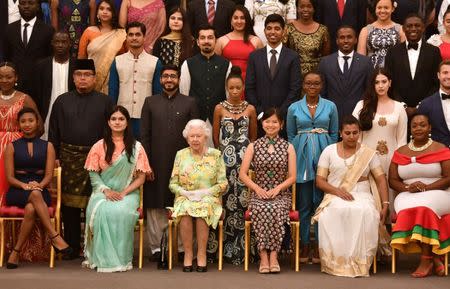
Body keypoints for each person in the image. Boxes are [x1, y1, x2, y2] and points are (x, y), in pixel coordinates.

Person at [48, 59, 113, 260]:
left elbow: (112, 130)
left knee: (96, 203)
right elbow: (53, 132)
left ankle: (93, 247)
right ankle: (72, 246)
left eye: (87, 75)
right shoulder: (61, 100)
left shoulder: (105, 101)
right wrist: (56, 157)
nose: (83, 78)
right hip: (68, 157)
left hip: (97, 159)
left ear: (94, 78)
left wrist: (108, 156)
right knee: (69, 205)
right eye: (79, 75)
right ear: (73, 77)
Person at [314, 115, 389, 277]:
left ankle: (360, 262)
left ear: (359, 133)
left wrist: (385, 204)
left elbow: (381, 179)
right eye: (347, 133)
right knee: (333, 212)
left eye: (355, 133)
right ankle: (336, 262)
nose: (351, 136)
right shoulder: (329, 151)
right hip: (335, 194)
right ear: (341, 133)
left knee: (364, 212)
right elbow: (320, 181)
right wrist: (337, 191)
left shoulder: (367, 153)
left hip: (362, 193)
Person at [140, 64, 199, 265]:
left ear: (179, 79)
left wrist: (193, 164)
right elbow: (144, 135)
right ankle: (157, 247)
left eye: (173, 76)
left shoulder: (190, 102)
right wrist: (146, 164)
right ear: (160, 79)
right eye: (165, 76)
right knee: (156, 204)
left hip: (184, 164)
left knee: (182, 204)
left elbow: (195, 135)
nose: (169, 80)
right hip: (155, 161)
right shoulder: (150, 102)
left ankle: (183, 248)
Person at [83, 105, 151, 272]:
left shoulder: (136, 148)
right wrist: (106, 191)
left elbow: (141, 177)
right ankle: (102, 257)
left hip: (128, 193)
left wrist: (123, 193)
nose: (117, 122)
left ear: (127, 122)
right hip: (102, 192)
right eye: (114, 119)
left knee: (119, 211)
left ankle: (120, 258)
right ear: (108, 122)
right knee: (102, 211)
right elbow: (93, 175)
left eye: (121, 119)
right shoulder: (99, 146)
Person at [4, 107, 73, 269]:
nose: (27, 124)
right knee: (34, 195)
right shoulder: (11, 146)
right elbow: (10, 178)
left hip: (41, 191)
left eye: (31, 121)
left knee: (31, 208)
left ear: (37, 123)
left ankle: (16, 251)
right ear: (19, 125)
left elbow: (48, 175)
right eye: (23, 121)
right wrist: (25, 186)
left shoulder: (48, 146)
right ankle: (55, 236)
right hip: (17, 190)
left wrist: (39, 186)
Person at [286, 71, 339, 264]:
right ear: (303, 85)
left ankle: (319, 244)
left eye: (316, 83)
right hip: (301, 158)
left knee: (322, 202)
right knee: (305, 202)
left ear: (321, 85)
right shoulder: (293, 108)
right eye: (309, 83)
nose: (312, 87)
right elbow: (290, 136)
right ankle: (304, 243)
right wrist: (297, 154)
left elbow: (334, 134)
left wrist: (331, 156)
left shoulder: (331, 106)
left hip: (325, 155)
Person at [389, 113, 450, 278]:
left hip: (439, 192)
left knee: (424, 208)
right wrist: (407, 187)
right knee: (412, 208)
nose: (418, 128)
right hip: (407, 194)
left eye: (422, 125)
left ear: (429, 128)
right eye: (414, 125)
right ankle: (435, 258)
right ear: (410, 129)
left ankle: (425, 259)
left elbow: (448, 178)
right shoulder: (400, 152)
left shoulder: (441, 148)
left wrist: (427, 187)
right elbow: (393, 181)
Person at [239, 108, 296, 273]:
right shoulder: (253, 146)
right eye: (267, 121)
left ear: (281, 124)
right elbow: (243, 174)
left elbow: (292, 176)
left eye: (275, 122)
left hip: (281, 194)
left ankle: (274, 256)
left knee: (275, 208)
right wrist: (257, 188)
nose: (271, 125)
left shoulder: (288, 147)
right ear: (262, 123)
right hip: (259, 193)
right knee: (261, 208)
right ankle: (263, 255)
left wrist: (278, 188)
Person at [169, 119, 228, 272]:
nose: (195, 139)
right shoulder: (180, 155)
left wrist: (206, 192)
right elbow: (172, 183)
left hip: (209, 197)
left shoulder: (216, 155)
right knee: (186, 209)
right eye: (192, 136)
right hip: (185, 196)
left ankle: (201, 254)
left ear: (205, 137)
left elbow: (223, 183)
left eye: (198, 136)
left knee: (203, 208)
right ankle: (188, 254)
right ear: (187, 138)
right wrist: (184, 193)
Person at [212, 66, 257, 264]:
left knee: (244, 202)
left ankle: (244, 249)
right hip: (225, 161)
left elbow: (254, 137)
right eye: (231, 88)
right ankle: (224, 249)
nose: (235, 91)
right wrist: (223, 155)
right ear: (226, 88)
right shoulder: (219, 108)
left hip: (245, 160)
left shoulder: (250, 109)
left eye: (238, 88)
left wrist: (247, 154)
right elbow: (215, 137)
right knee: (226, 201)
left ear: (243, 87)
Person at [353, 69, 407, 211]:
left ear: (390, 83)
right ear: (372, 85)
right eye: (376, 82)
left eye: (384, 82)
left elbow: (402, 141)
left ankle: (389, 231)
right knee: (368, 203)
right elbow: (354, 136)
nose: (380, 86)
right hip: (366, 159)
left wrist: (399, 165)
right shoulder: (361, 105)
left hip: (391, 161)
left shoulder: (399, 107)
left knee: (389, 199)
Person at [245, 13, 301, 137]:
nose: (272, 32)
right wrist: (261, 114)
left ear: (283, 31)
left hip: (284, 120)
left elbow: (295, 89)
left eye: (277, 28)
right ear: (264, 31)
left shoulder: (293, 57)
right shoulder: (254, 56)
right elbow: (249, 88)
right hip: (260, 119)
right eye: (269, 28)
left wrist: (280, 115)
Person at [108, 21, 162, 138]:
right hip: (122, 117)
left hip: (146, 116)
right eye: (131, 35)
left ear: (144, 37)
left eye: (138, 34)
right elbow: (113, 91)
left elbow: (158, 94)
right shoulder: (117, 61)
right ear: (126, 37)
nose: (134, 38)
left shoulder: (155, 62)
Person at [385, 14, 441, 116]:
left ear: (423, 28)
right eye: (409, 26)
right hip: (398, 109)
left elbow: (436, 82)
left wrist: (421, 105)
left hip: (427, 109)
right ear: (403, 28)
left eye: (417, 25)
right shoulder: (392, 52)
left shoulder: (434, 51)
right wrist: (403, 106)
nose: (413, 29)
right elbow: (389, 82)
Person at [0, 62, 41, 195]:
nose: (4, 80)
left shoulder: (25, 99)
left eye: (8, 77)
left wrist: (27, 145)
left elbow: (39, 127)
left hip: (17, 147)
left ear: (16, 78)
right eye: (0, 77)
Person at [318, 25, 373, 125]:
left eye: (349, 37)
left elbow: (369, 91)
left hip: (358, 117)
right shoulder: (325, 62)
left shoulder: (366, 62)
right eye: (342, 37)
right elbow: (322, 93)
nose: (346, 40)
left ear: (356, 40)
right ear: (337, 41)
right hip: (332, 117)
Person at [179, 25, 232, 125]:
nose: (206, 41)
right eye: (202, 38)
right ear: (198, 42)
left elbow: (228, 93)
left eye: (210, 37)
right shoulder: (188, 64)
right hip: (195, 118)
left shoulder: (226, 64)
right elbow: (184, 93)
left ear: (216, 41)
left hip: (219, 118)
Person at [3, 0, 54, 96]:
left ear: (38, 7)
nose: (26, 6)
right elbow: (6, 58)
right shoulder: (9, 30)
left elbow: (50, 59)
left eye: (30, 3)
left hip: (39, 86)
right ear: (18, 7)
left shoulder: (48, 30)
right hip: (14, 86)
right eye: (23, 3)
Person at [32, 31, 75, 141]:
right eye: (57, 42)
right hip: (46, 115)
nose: (60, 45)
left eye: (64, 42)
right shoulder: (41, 66)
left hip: (72, 114)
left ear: (70, 44)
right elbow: (36, 93)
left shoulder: (77, 66)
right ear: (52, 43)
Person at [78, 0, 126, 94]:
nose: (104, 11)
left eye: (109, 9)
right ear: (97, 13)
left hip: (114, 79)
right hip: (91, 80)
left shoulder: (122, 34)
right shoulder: (89, 31)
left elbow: (126, 58)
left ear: (113, 13)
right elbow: (81, 59)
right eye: (101, 9)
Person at [215, 5, 263, 91]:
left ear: (247, 20)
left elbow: (262, 69)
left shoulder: (256, 41)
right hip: (227, 86)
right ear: (231, 20)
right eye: (235, 18)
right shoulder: (221, 41)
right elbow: (215, 67)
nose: (239, 21)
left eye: (242, 18)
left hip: (251, 86)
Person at [285, 0, 330, 77]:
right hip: (294, 73)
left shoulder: (323, 30)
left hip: (316, 76)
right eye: (302, 7)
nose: (305, 9)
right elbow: (284, 55)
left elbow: (326, 57)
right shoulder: (288, 29)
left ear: (314, 9)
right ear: (297, 8)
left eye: (309, 6)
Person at [357, 0, 405, 68]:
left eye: (386, 8)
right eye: (379, 8)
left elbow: (404, 57)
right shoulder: (365, 30)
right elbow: (360, 59)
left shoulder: (401, 30)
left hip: (394, 72)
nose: (382, 11)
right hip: (371, 73)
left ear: (393, 9)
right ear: (375, 9)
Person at [418, 60, 450, 147]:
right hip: (436, 156)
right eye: (445, 72)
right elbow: (420, 135)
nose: (449, 76)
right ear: (438, 75)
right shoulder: (425, 105)